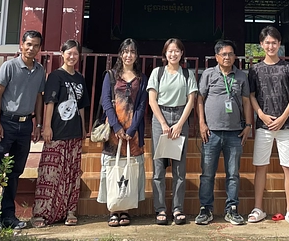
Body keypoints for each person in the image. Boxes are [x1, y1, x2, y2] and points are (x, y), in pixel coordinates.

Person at [0, 30, 46, 230]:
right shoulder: (9, 67)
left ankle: (8, 215)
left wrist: (38, 124)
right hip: (6, 123)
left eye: (36, 45)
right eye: (28, 44)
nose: (32, 48)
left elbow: (39, 97)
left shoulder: (39, 71)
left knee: (14, 172)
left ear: (39, 48)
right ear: (22, 45)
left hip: (25, 125)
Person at [247, 26, 289, 225]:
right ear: (261, 45)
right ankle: (258, 208)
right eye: (267, 42)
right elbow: (251, 96)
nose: (270, 46)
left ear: (279, 44)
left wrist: (282, 118)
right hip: (264, 126)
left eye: (274, 42)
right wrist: (261, 114)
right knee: (260, 167)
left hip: (285, 125)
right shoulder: (254, 69)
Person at [195, 39, 253, 226]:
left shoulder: (241, 76)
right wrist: (202, 124)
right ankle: (206, 209)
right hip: (210, 132)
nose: (227, 57)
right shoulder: (209, 74)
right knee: (207, 173)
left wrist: (249, 125)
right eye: (223, 54)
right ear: (216, 57)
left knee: (233, 173)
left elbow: (246, 102)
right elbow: (200, 99)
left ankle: (232, 209)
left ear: (235, 57)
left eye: (230, 54)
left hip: (234, 132)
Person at [32, 39, 89, 227]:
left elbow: (81, 107)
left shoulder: (80, 78)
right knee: (50, 174)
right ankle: (42, 213)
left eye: (75, 53)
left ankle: (69, 211)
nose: (72, 57)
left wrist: (83, 128)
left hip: (74, 133)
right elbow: (49, 103)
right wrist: (46, 127)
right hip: (56, 132)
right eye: (69, 53)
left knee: (71, 174)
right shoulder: (55, 76)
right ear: (62, 53)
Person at [98, 38, 148, 227]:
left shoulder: (141, 78)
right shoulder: (111, 76)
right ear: (120, 54)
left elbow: (142, 106)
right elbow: (105, 101)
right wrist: (117, 127)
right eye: (125, 51)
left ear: (136, 56)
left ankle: (125, 208)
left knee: (130, 168)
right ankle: (113, 209)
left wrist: (132, 129)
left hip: (133, 132)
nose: (129, 55)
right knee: (112, 167)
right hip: (113, 130)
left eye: (132, 52)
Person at [148, 38, 198, 225]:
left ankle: (178, 209)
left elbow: (190, 100)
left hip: (180, 117)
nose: (173, 54)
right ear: (165, 53)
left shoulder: (187, 74)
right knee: (158, 167)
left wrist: (179, 125)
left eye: (177, 51)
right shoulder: (157, 72)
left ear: (182, 53)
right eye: (170, 51)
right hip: (159, 117)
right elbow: (152, 100)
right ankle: (160, 209)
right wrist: (162, 123)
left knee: (180, 168)